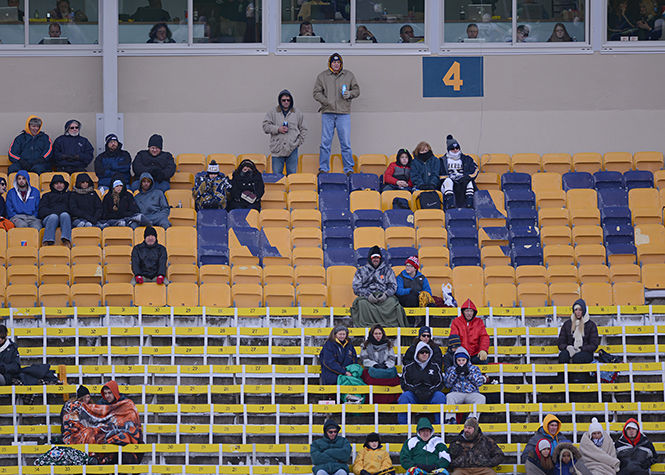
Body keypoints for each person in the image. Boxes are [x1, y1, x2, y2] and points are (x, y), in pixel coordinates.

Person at [313, 53, 360, 176]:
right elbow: (316, 93)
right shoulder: (322, 76)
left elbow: (357, 90)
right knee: (325, 143)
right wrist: (326, 101)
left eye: (338, 62)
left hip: (343, 113)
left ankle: (349, 169)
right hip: (327, 113)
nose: (336, 64)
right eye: (334, 62)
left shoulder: (349, 75)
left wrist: (349, 94)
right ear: (330, 63)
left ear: (341, 63)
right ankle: (323, 168)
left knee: (345, 143)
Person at [351, 246, 408, 328]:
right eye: (373, 257)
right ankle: (367, 326)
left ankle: (390, 326)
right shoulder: (361, 271)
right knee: (361, 303)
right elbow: (356, 287)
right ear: (370, 259)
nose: (375, 260)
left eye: (377, 257)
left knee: (393, 303)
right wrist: (368, 295)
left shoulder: (388, 270)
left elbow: (393, 285)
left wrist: (386, 295)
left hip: (384, 296)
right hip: (367, 297)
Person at [398, 342, 446, 425]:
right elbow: (404, 383)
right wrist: (415, 390)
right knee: (404, 397)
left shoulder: (434, 367)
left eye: (426, 352)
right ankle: (403, 426)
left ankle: (439, 425)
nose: (424, 354)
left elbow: (440, 382)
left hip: (430, 395)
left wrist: (431, 391)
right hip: (414, 395)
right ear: (417, 353)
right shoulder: (409, 367)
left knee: (440, 396)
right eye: (422, 352)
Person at [262, 89, 307, 176]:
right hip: (277, 149)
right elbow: (265, 126)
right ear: (280, 101)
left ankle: (290, 190)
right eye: (283, 100)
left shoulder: (297, 113)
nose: (286, 102)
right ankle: (280, 190)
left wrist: (298, 143)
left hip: (292, 149)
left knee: (292, 176)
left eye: (288, 100)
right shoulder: (272, 112)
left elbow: (304, 129)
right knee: (277, 177)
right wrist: (278, 129)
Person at [440, 135, 478, 210]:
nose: (455, 150)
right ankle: (450, 205)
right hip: (448, 184)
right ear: (448, 149)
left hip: (463, 182)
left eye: (457, 148)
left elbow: (475, 170)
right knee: (448, 181)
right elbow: (438, 175)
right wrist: (450, 177)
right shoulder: (441, 161)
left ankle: (469, 205)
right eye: (452, 148)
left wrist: (466, 177)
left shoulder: (467, 159)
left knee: (469, 182)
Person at [444, 347, 485, 412]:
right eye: (459, 360)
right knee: (449, 397)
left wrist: (469, 374)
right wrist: (455, 373)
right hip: (457, 392)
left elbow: (479, 383)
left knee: (481, 398)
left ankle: (472, 418)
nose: (461, 362)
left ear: (467, 360)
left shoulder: (474, 368)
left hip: (471, 393)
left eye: (463, 360)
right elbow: (447, 384)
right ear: (455, 360)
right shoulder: (451, 369)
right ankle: (451, 419)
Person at [558, 299, 599, 365]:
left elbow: (594, 344)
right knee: (563, 356)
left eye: (580, 310)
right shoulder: (567, 324)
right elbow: (560, 342)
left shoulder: (591, 325)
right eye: (576, 310)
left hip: (585, 351)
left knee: (578, 358)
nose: (578, 312)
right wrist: (568, 347)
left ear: (583, 311)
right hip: (570, 349)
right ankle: (563, 375)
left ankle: (578, 375)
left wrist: (581, 349)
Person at [450, 299, 489, 365]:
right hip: (462, 354)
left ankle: (482, 375)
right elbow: (454, 337)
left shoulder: (479, 322)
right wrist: (460, 352)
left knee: (484, 360)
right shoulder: (456, 321)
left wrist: (483, 349)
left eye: (471, 311)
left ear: (474, 312)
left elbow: (484, 337)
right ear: (463, 312)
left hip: (475, 354)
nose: (469, 313)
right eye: (467, 311)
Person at [38, 174, 72, 247]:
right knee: (54, 217)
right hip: (49, 219)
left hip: (65, 219)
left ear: (64, 185)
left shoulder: (70, 195)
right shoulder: (46, 196)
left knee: (65, 215)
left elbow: (72, 209)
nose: (59, 185)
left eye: (61, 183)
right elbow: (41, 211)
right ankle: (47, 241)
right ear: (53, 185)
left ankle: (66, 240)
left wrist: (58, 212)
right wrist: (56, 212)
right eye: (56, 183)